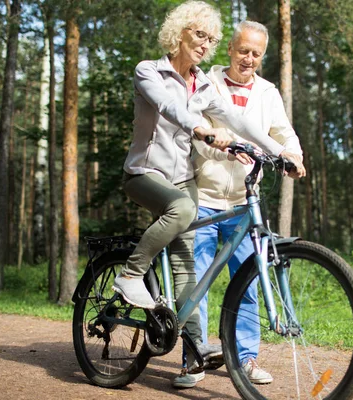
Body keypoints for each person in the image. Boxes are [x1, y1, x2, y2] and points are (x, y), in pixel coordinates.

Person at [112, 1, 297, 377]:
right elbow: (168, 107)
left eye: (210, 38)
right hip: (146, 173)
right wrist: (200, 128)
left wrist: (282, 152)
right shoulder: (150, 71)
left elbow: (239, 121)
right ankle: (130, 275)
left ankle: (196, 350)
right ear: (179, 31)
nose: (204, 44)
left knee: (186, 274)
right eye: (200, 34)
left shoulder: (204, 84)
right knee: (183, 212)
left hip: (182, 180)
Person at [172, 20, 306, 389]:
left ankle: (244, 360)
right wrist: (216, 143)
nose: (249, 59)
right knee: (194, 283)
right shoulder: (206, 82)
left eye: (256, 54)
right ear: (230, 48)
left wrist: (292, 153)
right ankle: (192, 360)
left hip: (245, 202)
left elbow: (281, 131)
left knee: (246, 283)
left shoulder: (268, 92)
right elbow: (192, 126)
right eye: (243, 50)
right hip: (203, 196)